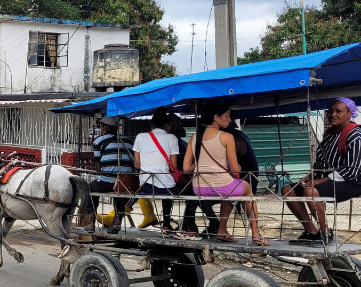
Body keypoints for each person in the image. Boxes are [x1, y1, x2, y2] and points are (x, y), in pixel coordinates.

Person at [183, 102, 268, 245]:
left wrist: (201, 165)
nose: (230, 120)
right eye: (227, 116)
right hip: (222, 187)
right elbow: (235, 170)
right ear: (216, 117)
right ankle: (256, 234)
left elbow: (186, 168)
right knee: (246, 191)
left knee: (231, 191)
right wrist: (239, 167)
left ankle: (222, 229)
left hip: (199, 188)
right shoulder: (227, 137)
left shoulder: (194, 137)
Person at [283, 97, 361, 244]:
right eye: (331, 111)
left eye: (338, 111)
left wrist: (319, 181)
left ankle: (325, 233)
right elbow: (320, 162)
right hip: (328, 179)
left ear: (349, 114)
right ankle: (311, 231)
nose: (333, 114)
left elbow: (352, 169)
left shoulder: (355, 135)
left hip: (352, 182)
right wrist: (310, 176)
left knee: (310, 191)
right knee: (288, 190)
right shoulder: (329, 135)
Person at [88, 116, 158, 233]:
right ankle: (117, 220)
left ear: (105, 127)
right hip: (126, 182)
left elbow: (97, 166)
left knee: (91, 187)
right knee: (120, 188)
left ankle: (90, 221)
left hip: (108, 182)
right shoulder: (129, 141)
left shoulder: (99, 141)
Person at [133, 109, 192, 236]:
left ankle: (166, 224)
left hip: (145, 187)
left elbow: (137, 165)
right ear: (167, 126)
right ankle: (178, 225)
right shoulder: (172, 138)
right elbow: (173, 166)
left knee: (167, 183)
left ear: (152, 125)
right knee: (190, 192)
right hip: (166, 188)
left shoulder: (140, 137)